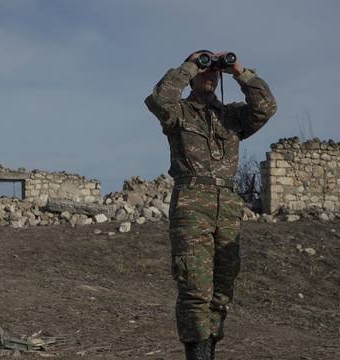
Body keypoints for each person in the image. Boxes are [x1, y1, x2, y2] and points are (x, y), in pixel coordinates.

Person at [144, 50, 276, 360]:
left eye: (212, 71)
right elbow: (159, 99)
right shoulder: (179, 113)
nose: (209, 74)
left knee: (222, 289)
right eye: (204, 70)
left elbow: (266, 107)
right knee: (194, 286)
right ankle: (197, 353)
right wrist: (191, 64)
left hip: (227, 205)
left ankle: (209, 350)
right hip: (191, 202)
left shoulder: (231, 116)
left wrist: (238, 71)